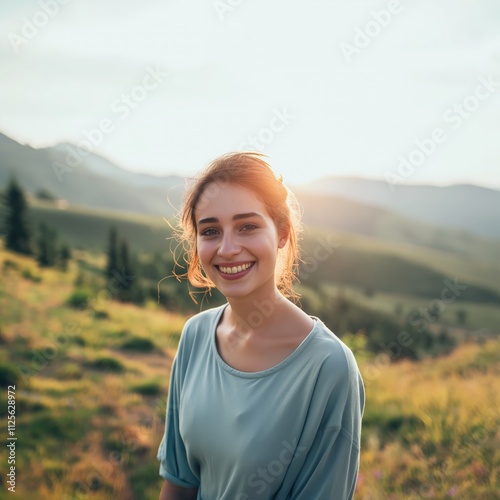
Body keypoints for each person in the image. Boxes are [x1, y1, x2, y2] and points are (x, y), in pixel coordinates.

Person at [157, 152, 365, 500]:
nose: (227, 248)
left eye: (247, 226)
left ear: (282, 233)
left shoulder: (329, 368)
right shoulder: (195, 336)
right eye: (210, 231)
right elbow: (180, 483)